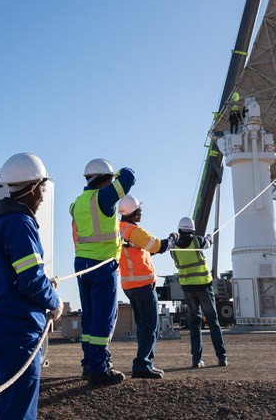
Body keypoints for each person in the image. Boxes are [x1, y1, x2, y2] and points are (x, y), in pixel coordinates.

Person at [0, 153, 63, 420]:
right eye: (43, 189)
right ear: (32, 187)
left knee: (11, 408)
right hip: (18, 330)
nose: (43, 197)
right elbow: (31, 280)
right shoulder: (20, 223)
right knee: (19, 413)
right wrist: (55, 302)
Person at [71, 158, 134, 385]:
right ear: (105, 179)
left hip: (82, 264)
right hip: (102, 265)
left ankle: (89, 364)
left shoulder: (77, 202)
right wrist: (116, 174)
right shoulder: (103, 197)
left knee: (89, 316)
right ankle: (99, 370)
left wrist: (110, 175)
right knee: (103, 317)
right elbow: (129, 176)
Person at [117, 194, 173, 379]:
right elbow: (157, 246)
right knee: (150, 326)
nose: (141, 213)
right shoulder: (133, 230)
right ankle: (142, 365)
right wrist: (172, 240)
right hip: (142, 285)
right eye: (140, 210)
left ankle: (145, 362)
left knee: (143, 326)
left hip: (129, 285)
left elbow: (138, 252)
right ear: (134, 213)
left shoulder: (118, 229)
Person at [171, 216, 227, 368]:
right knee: (213, 322)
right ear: (192, 230)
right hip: (203, 286)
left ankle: (196, 360)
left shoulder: (173, 247)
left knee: (194, 324)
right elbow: (208, 242)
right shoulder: (197, 241)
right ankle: (222, 358)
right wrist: (209, 236)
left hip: (188, 289)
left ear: (179, 229)